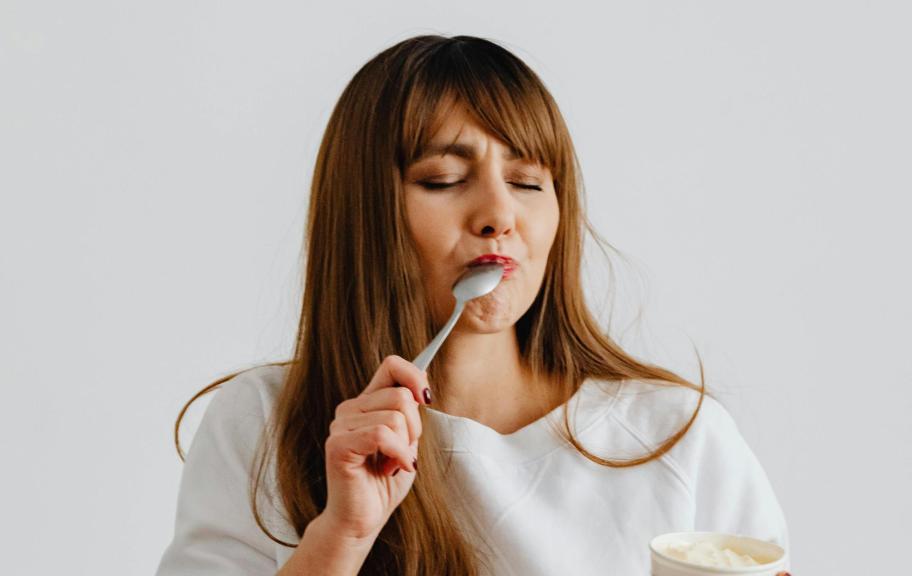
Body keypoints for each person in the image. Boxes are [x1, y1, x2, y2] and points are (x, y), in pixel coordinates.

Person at [155, 34, 791, 576]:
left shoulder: (678, 438)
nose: (498, 214)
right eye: (444, 180)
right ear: (365, 213)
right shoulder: (264, 424)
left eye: (527, 182)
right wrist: (340, 538)